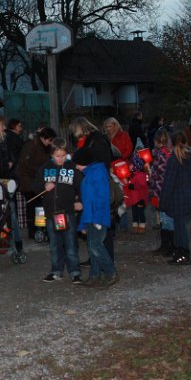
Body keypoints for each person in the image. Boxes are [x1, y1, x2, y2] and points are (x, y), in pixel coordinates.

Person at [70, 117, 117, 286]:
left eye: (78, 165)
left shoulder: (95, 175)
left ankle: (111, 272)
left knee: (96, 246)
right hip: (91, 217)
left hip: (98, 217)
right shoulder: (88, 177)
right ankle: (95, 275)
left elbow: (99, 200)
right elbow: (87, 203)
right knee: (92, 246)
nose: (76, 168)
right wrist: (83, 223)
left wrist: (94, 219)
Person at [36, 139, 83, 283]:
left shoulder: (72, 168)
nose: (60, 159)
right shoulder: (44, 168)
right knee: (55, 245)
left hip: (67, 212)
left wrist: (79, 201)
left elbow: (81, 186)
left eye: (63, 155)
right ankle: (56, 271)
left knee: (70, 244)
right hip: (51, 213)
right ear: (51, 155)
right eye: (57, 156)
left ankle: (75, 272)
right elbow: (35, 185)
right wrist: (44, 185)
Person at [160, 132, 191, 265]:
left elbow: (169, 182)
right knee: (181, 227)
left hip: (177, 198)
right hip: (187, 196)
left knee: (179, 229)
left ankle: (183, 254)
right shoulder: (190, 157)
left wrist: (163, 201)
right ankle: (181, 253)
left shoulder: (175, 158)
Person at [16, 127, 57, 238]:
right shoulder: (31, 145)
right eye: (49, 140)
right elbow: (25, 164)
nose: (50, 142)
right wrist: (41, 171)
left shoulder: (43, 146)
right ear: (44, 137)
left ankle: (38, 231)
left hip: (36, 179)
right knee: (33, 207)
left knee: (37, 207)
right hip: (28, 181)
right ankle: (34, 231)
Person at [149, 129, 174, 256]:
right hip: (160, 190)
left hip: (162, 190)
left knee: (167, 219)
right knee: (164, 219)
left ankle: (169, 246)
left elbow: (160, 174)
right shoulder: (164, 154)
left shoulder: (163, 155)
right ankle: (165, 245)